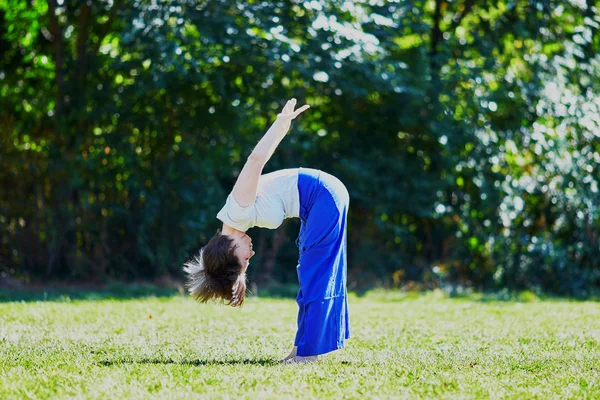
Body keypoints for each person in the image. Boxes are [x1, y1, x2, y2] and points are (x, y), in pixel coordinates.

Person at [183, 98, 350, 363]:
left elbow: (255, 160)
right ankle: (301, 349)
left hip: (323, 195)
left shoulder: (238, 207)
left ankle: (308, 355)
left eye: (244, 260)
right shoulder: (238, 219)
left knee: (315, 274)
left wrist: (281, 124)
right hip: (318, 202)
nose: (252, 253)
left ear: (229, 251)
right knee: (309, 277)